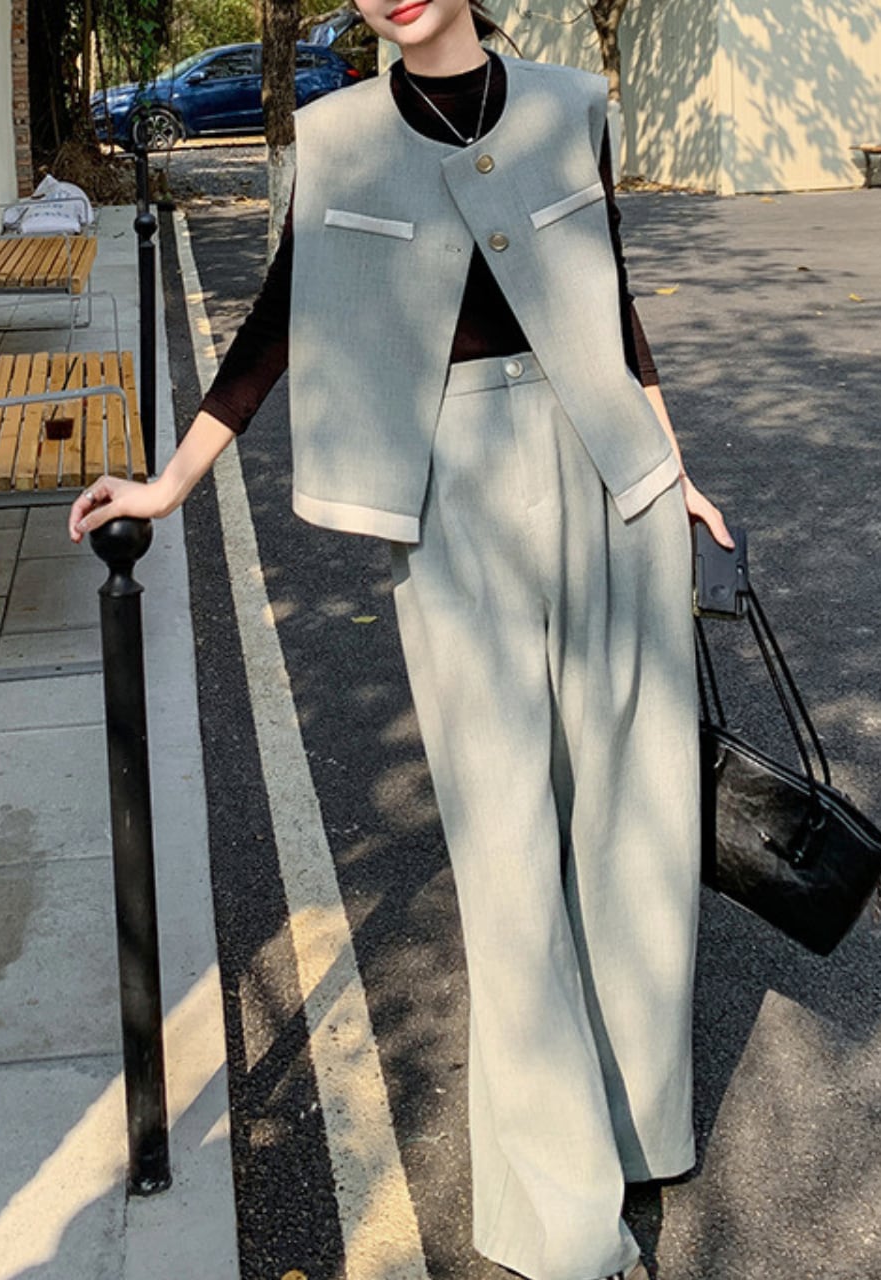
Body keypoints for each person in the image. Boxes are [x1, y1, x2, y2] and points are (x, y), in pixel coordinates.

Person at [70, 3, 732, 1277]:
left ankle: (638, 1120)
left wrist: (674, 468)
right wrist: (168, 483)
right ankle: (559, 1211)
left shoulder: (568, 103)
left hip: (615, 481)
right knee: (505, 845)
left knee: (633, 818)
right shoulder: (337, 137)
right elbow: (278, 320)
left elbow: (610, 302)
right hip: (451, 498)